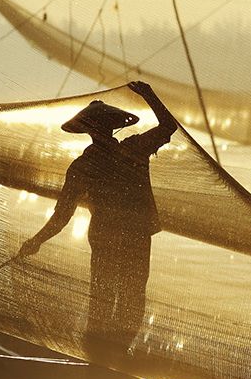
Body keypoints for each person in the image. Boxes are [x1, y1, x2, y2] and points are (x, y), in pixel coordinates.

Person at [18, 81, 177, 357]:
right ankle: (108, 357)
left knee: (112, 298)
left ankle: (104, 357)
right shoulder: (130, 149)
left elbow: (62, 216)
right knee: (126, 298)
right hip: (129, 236)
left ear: (91, 130)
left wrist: (37, 240)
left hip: (113, 236)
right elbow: (168, 126)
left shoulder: (92, 162)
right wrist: (148, 94)